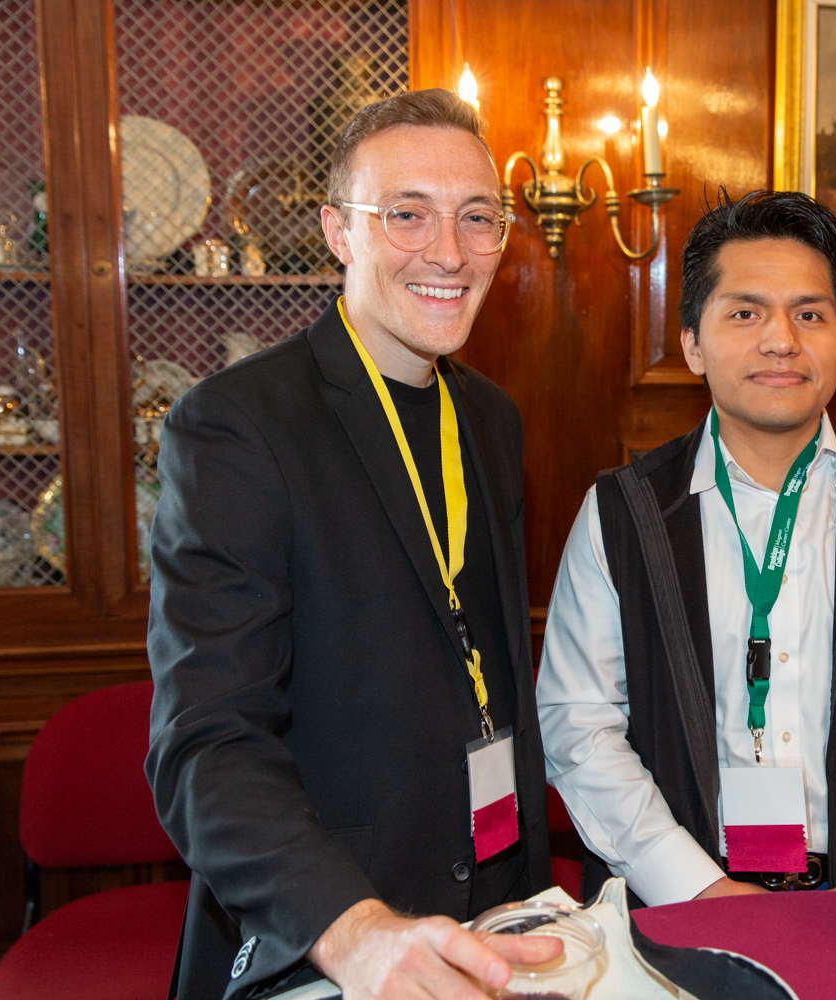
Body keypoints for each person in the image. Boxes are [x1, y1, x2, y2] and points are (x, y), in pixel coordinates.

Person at [146, 89, 554, 1000]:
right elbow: (205, 742)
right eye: (407, 214)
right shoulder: (237, 424)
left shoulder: (492, 419)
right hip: (327, 934)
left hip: (493, 912)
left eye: (476, 217)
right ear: (339, 231)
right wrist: (354, 929)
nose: (448, 252)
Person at [535, 189, 836, 907]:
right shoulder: (621, 513)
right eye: (745, 313)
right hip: (674, 906)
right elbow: (579, 724)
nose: (781, 340)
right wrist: (695, 887)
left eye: (810, 315)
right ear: (692, 343)